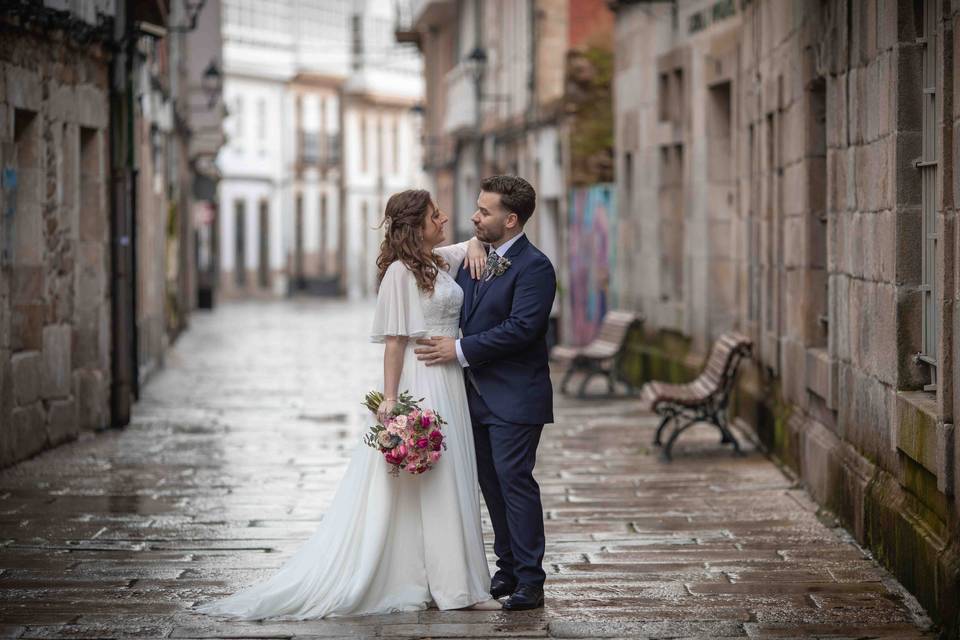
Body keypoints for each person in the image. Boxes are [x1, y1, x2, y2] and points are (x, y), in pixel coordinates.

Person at [194, 189, 498, 619]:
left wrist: (474, 245)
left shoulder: (437, 261)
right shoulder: (400, 272)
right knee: (432, 479)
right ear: (416, 225)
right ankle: (451, 586)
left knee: (454, 476)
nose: (444, 218)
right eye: (435, 214)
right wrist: (392, 403)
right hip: (423, 378)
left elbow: (468, 245)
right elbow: (395, 343)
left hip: (451, 378)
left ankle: (456, 578)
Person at [414, 175, 557, 611]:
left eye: (484, 212)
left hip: (516, 396)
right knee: (491, 486)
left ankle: (531, 580)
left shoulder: (536, 267)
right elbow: (411, 259)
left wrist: (458, 349)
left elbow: (522, 329)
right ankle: (508, 568)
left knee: (515, 483)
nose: (474, 216)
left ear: (511, 220)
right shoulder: (481, 255)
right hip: (472, 397)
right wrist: (474, 243)